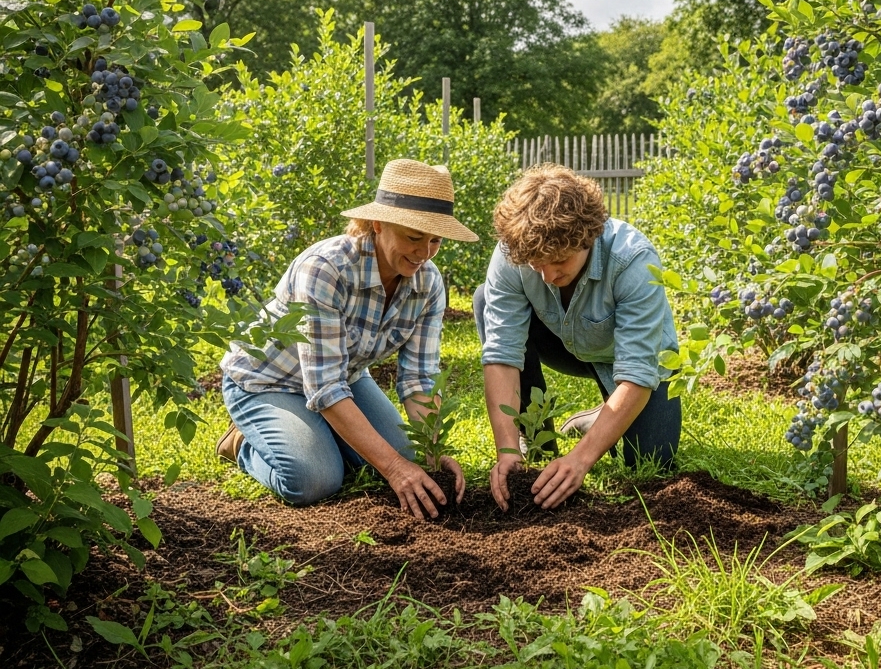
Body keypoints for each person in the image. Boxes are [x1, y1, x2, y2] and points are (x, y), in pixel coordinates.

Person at [218, 159, 478, 517]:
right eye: (414, 237)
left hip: (345, 380)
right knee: (314, 480)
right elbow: (324, 386)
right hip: (269, 380)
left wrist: (433, 452)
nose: (424, 252)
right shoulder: (327, 269)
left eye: (435, 240)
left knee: (410, 457)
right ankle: (242, 444)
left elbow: (418, 377)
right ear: (377, 223)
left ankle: (320, 435)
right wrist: (393, 468)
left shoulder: (428, 284)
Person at [474, 164, 680, 511]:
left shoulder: (633, 260)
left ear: (589, 236)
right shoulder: (514, 254)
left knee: (651, 459)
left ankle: (597, 418)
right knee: (484, 300)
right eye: (536, 265)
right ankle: (534, 434)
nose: (548, 275)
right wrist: (506, 449)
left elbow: (637, 373)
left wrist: (581, 460)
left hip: (628, 360)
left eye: (559, 261)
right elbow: (502, 354)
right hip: (560, 341)